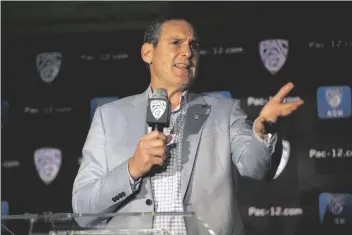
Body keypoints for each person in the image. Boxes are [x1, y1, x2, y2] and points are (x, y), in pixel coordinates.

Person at [72, 17, 304, 235]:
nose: (187, 52)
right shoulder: (109, 117)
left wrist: (262, 131)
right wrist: (132, 169)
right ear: (147, 53)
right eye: (176, 43)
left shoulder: (224, 111)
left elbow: (256, 168)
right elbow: (83, 209)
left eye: (194, 45)